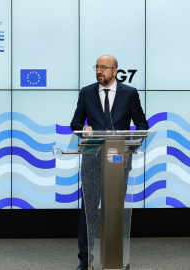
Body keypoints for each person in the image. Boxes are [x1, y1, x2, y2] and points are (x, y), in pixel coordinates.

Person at [70, 55, 148, 270]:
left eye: (104, 68)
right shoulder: (87, 92)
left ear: (115, 71)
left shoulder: (129, 93)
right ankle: (86, 259)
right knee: (89, 211)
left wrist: (129, 145)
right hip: (92, 159)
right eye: (97, 67)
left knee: (114, 210)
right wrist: (83, 128)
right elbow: (75, 122)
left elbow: (142, 124)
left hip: (119, 161)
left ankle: (115, 258)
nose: (99, 71)